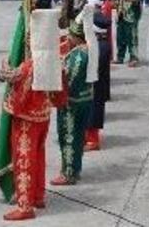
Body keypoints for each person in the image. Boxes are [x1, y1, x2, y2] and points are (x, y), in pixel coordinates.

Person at [0, 53, 54, 220]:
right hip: (43, 114)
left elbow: (6, 76)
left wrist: (5, 62)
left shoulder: (30, 65)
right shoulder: (52, 58)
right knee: (38, 155)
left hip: (27, 118)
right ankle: (38, 196)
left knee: (24, 159)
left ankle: (25, 205)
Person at [52, 19, 93, 186]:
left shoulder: (78, 56)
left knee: (68, 137)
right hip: (86, 98)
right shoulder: (89, 50)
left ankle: (68, 172)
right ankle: (75, 168)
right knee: (78, 136)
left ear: (78, 37)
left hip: (72, 102)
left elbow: (70, 81)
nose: (68, 37)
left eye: (71, 35)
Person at [84, 12, 112, 151]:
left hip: (96, 85)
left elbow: (92, 66)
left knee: (93, 113)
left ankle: (93, 141)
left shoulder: (100, 47)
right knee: (90, 112)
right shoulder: (101, 43)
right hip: (97, 84)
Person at [115, 0, 142, 67]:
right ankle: (120, 57)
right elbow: (118, 4)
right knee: (120, 38)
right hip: (121, 18)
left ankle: (133, 57)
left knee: (132, 39)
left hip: (131, 19)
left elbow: (135, 0)